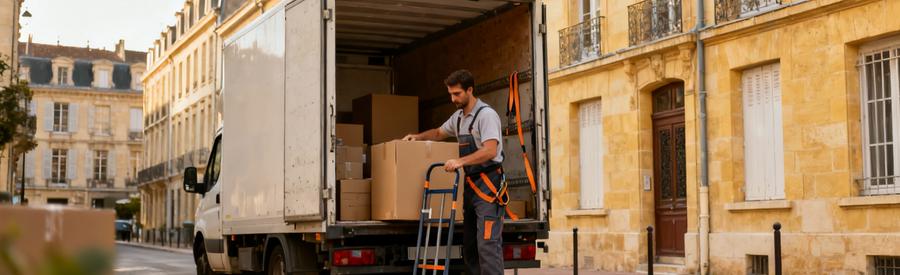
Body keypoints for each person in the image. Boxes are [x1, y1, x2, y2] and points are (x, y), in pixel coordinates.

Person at [403, 69, 506, 275]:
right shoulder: (459, 117)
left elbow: (490, 150)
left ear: (470, 90)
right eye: (450, 94)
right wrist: (418, 137)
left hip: (489, 189)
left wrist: (460, 161)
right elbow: (439, 133)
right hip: (471, 189)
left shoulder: (486, 116)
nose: (453, 98)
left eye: (457, 94)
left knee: (487, 246)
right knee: (471, 246)